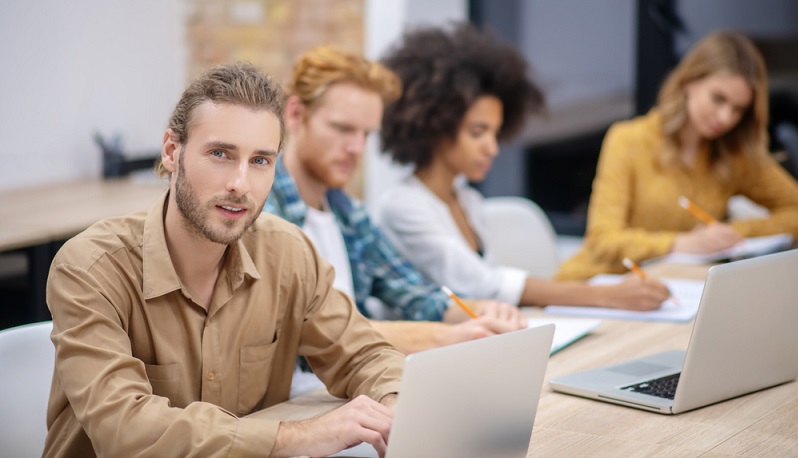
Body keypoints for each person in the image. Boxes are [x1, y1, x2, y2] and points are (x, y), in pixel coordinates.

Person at [44, 62, 405, 458]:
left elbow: (366, 355)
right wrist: (299, 436)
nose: (240, 183)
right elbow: (124, 430)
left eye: (260, 161)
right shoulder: (89, 268)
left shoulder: (288, 253)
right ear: (171, 152)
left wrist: (393, 406)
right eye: (220, 154)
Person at [378, 23, 670, 310]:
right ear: (436, 128)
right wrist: (608, 296)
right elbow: (484, 284)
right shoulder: (403, 207)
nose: (492, 148)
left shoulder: (467, 200)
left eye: (495, 133)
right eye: (478, 133)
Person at [263, 45, 526, 356]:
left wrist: (484, 311)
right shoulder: (264, 216)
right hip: (300, 398)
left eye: (366, 134)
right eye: (343, 129)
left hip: (357, 384)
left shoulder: (349, 214)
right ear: (295, 114)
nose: (356, 147)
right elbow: (313, 331)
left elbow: (414, 293)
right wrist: (443, 337)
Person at [556, 30, 798, 281]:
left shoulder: (733, 153)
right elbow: (603, 239)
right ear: (689, 82)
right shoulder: (629, 140)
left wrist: (735, 231)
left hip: (674, 290)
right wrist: (680, 243)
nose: (726, 118)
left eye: (738, 110)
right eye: (718, 99)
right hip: (597, 285)